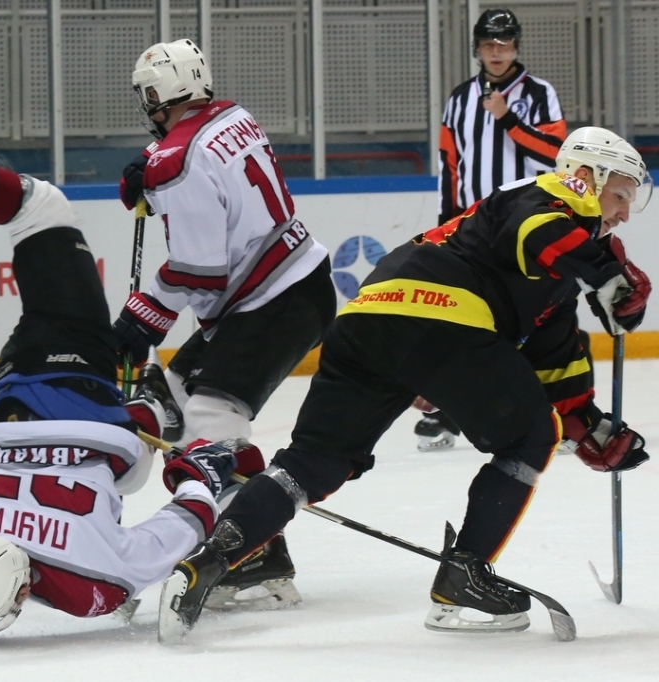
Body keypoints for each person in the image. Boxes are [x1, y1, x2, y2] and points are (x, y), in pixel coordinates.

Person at [156, 126, 652, 643]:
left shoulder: (556, 271)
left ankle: (207, 563)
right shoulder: (550, 196)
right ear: (585, 176)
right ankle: (464, 576)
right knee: (528, 439)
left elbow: (555, 362)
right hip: (441, 318)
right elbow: (537, 231)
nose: (620, 213)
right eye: (618, 195)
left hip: (368, 320)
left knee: (312, 462)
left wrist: (588, 424)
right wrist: (611, 272)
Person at [0, 99, 254, 650]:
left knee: (42, 212)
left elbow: (183, 527)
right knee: (120, 469)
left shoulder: (94, 589)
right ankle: (148, 409)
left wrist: (204, 475)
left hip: (78, 399)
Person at [115, 38, 339, 610]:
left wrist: (143, 318)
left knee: (208, 420)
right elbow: (203, 166)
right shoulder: (231, 115)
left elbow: (200, 272)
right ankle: (245, 542)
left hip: (274, 300)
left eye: (148, 96)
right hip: (286, 286)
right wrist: (152, 167)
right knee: (162, 400)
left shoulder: (176, 161)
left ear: (159, 94)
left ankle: (255, 553)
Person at [421, 8, 569, 450]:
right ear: (477, 49)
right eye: (489, 44)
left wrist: (508, 119)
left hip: (529, 224)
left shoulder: (539, 95)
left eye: (504, 44)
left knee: (545, 316)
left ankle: (563, 412)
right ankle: (452, 412)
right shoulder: (459, 98)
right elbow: (451, 164)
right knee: (463, 317)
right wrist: (447, 222)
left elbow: (557, 154)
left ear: (517, 46)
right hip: (472, 229)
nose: (496, 52)